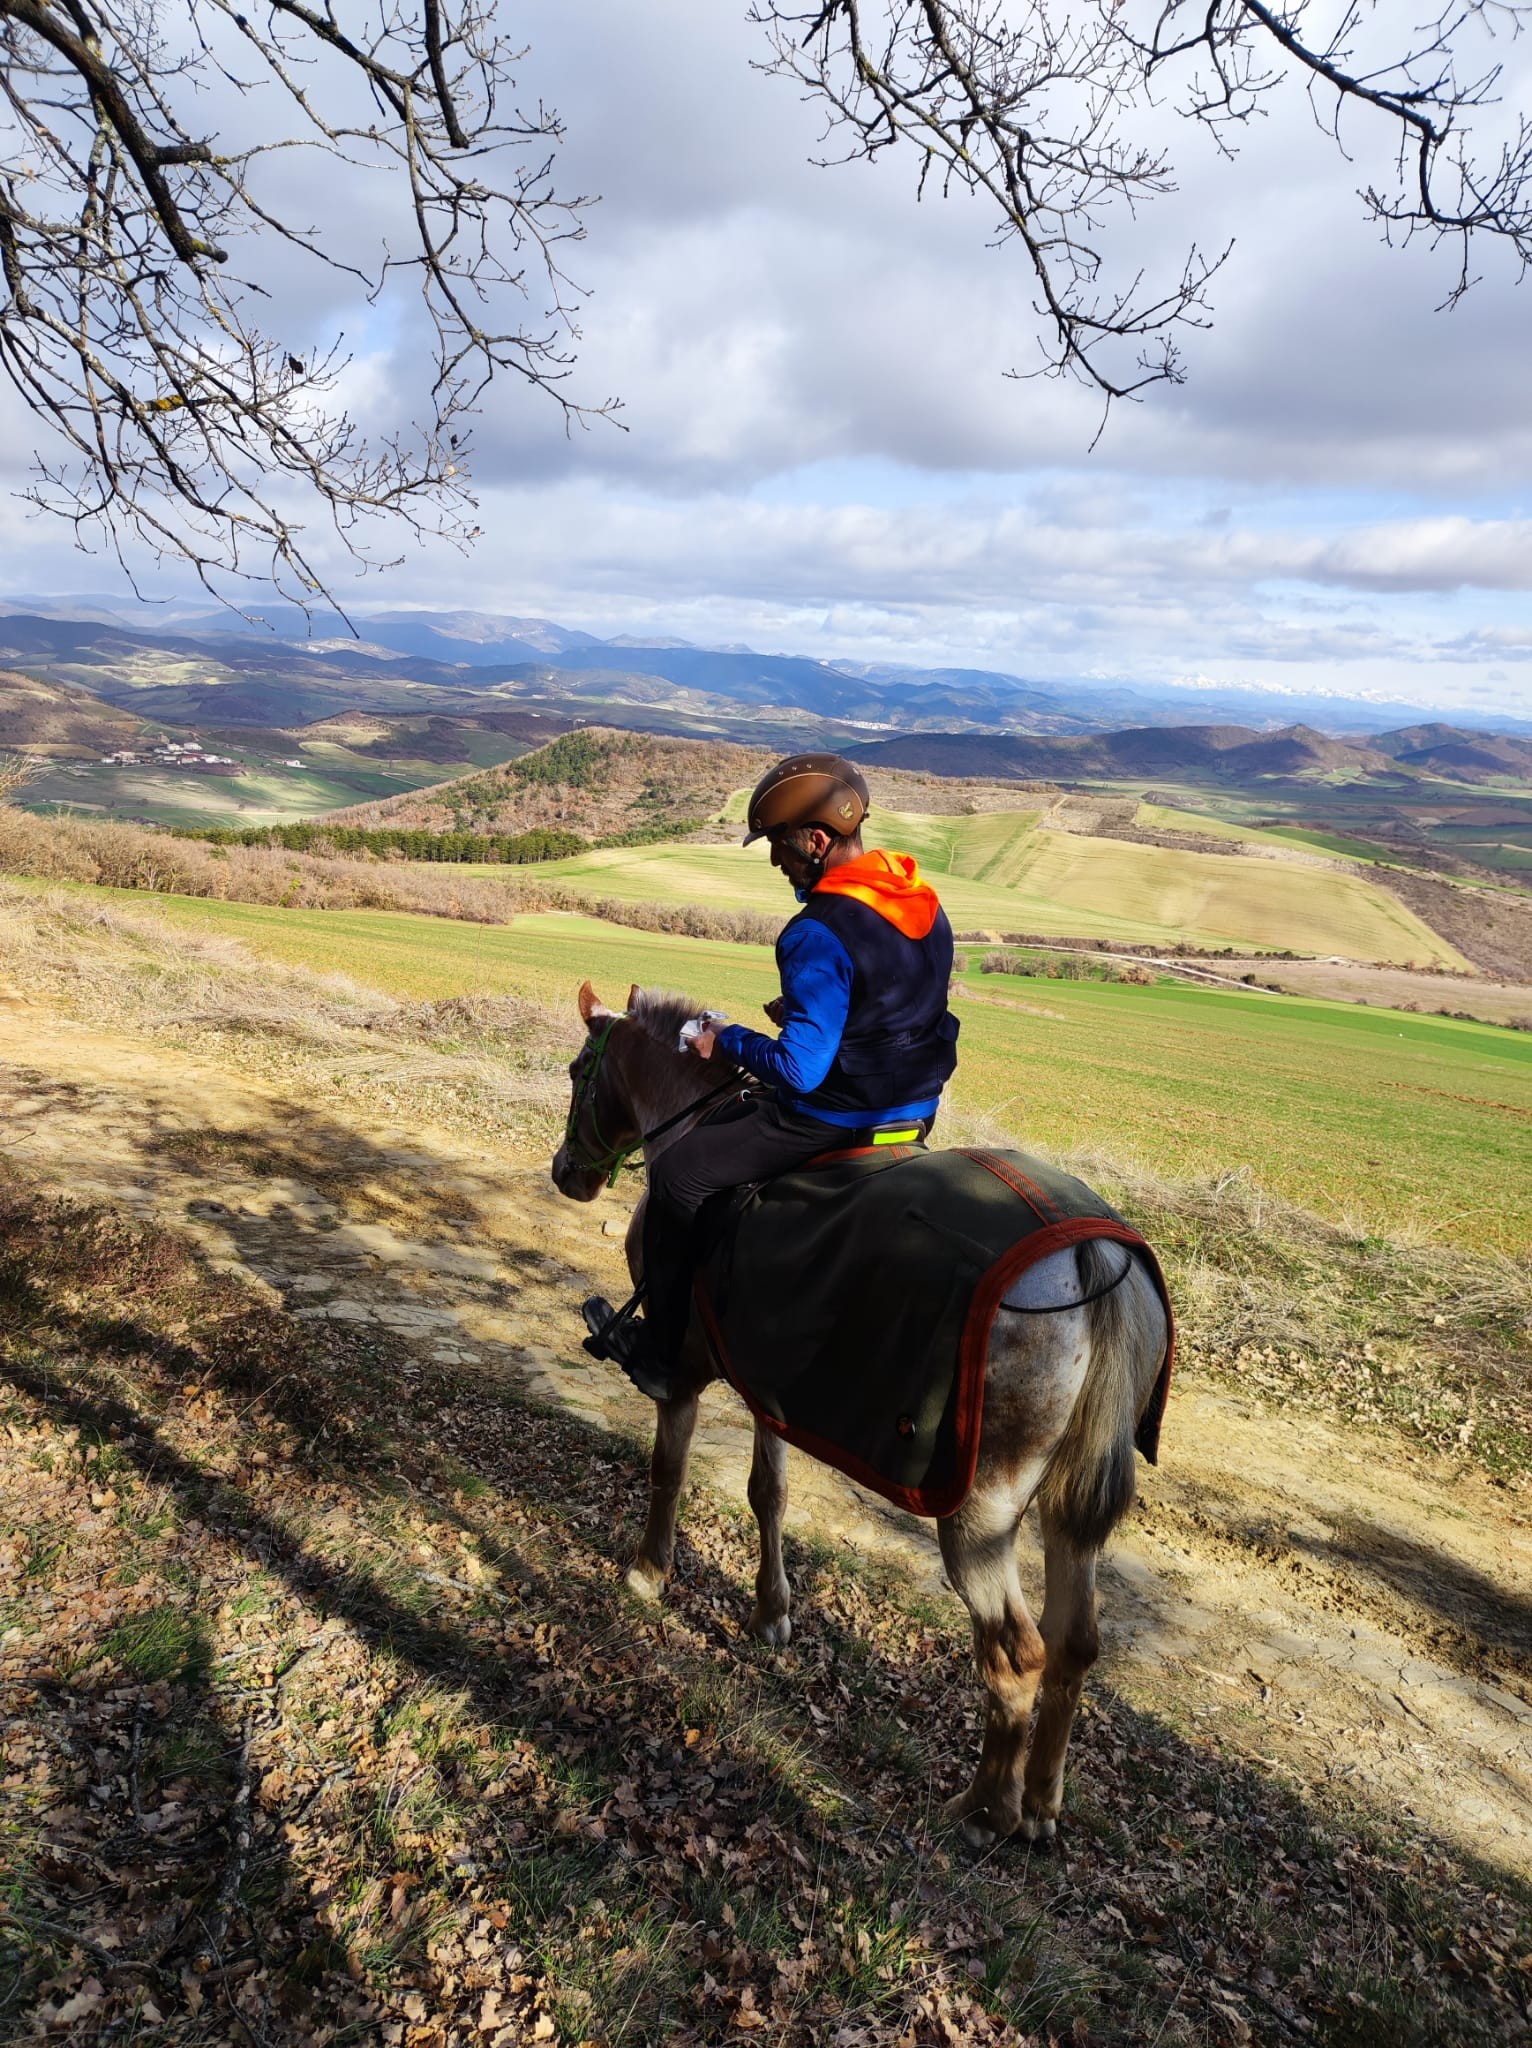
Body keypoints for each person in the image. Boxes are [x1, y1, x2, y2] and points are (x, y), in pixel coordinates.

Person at [581, 751, 960, 1401]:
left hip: (837, 1114)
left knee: (679, 1173)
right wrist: (813, 1015)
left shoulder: (815, 930)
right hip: (915, 1106)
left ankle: (662, 1353)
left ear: (816, 840)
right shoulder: (918, 899)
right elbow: (899, 1002)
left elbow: (799, 1070)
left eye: (779, 848)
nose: (776, 862)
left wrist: (723, 1039)